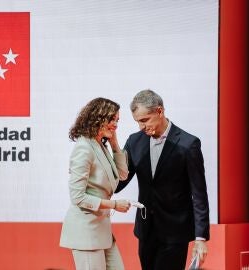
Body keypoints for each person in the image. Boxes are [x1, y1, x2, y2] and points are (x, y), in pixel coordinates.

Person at [115, 89, 210, 270]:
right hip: (145, 231)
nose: (141, 127)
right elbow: (120, 182)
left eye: (144, 120)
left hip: (175, 232)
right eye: (137, 122)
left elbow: (199, 195)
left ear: (160, 111)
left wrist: (201, 239)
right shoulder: (134, 141)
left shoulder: (188, 144)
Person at [60, 97, 131, 270]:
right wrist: (114, 205)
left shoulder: (100, 145)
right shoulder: (84, 148)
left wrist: (114, 144)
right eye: (111, 119)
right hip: (86, 231)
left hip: (101, 230)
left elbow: (122, 174)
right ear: (97, 118)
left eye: (117, 120)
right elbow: (77, 197)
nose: (115, 124)